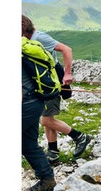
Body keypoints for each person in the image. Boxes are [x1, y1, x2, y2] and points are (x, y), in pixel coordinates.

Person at [22, 15, 93, 164]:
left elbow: (66, 49)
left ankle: (80, 137)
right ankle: (53, 152)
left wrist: (68, 73)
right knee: (48, 118)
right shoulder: (29, 40)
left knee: (46, 120)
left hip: (51, 81)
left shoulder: (39, 37)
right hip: (43, 82)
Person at [21, 37, 56, 191]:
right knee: (27, 143)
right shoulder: (23, 48)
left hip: (25, 103)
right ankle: (47, 180)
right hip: (35, 101)